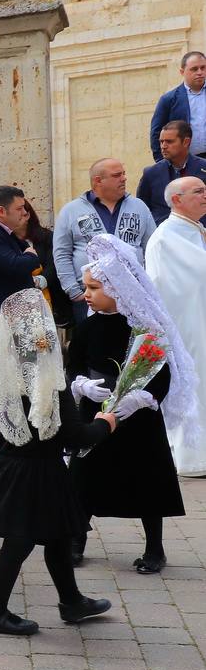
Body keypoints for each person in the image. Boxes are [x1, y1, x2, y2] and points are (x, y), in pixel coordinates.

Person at [0, 289, 115, 635]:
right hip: (31, 471)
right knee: (19, 543)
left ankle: (71, 601)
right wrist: (107, 423)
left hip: (17, 464)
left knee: (60, 535)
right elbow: (75, 437)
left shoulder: (8, 370)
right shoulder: (49, 376)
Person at [69, 234, 195, 573]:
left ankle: (155, 547)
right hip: (96, 414)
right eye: (86, 287)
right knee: (83, 477)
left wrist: (143, 397)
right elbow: (74, 363)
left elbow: (161, 370)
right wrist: (80, 385)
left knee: (145, 480)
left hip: (137, 417)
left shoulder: (143, 329)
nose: (87, 294)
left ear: (117, 287)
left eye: (94, 288)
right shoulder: (87, 327)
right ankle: (76, 538)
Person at [145, 176, 206, 476]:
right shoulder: (165, 237)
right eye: (198, 191)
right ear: (177, 199)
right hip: (187, 326)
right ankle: (191, 456)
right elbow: (167, 287)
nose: (204, 196)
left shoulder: (194, 231)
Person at [54, 158, 157, 323]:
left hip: (134, 295)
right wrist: (73, 291)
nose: (124, 178)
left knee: (134, 346)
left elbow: (153, 248)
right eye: (117, 175)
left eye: (123, 174)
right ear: (98, 181)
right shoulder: (71, 211)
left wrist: (150, 286)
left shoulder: (139, 206)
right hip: (89, 296)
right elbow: (61, 253)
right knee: (94, 345)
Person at [0, 185, 41, 317]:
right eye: (19, 208)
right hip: (4, 311)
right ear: (1, 211)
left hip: (14, 308)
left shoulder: (1, 229)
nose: (24, 212)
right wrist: (31, 255)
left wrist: (28, 255)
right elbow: (15, 266)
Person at [138, 120, 206, 225]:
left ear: (186, 142)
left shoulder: (204, 169)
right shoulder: (151, 173)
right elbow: (142, 209)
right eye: (161, 141)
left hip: (200, 236)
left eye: (169, 141)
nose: (163, 146)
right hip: (164, 236)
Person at [17, 200, 72, 329]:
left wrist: (41, 280)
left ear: (28, 215)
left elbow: (55, 262)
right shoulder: (6, 240)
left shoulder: (46, 237)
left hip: (51, 297)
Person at [149, 50, 206, 161]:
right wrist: (162, 163)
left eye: (203, 68)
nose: (200, 72)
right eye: (194, 69)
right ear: (182, 71)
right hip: (185, 162)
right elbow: (156, 133)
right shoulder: (169, 99)